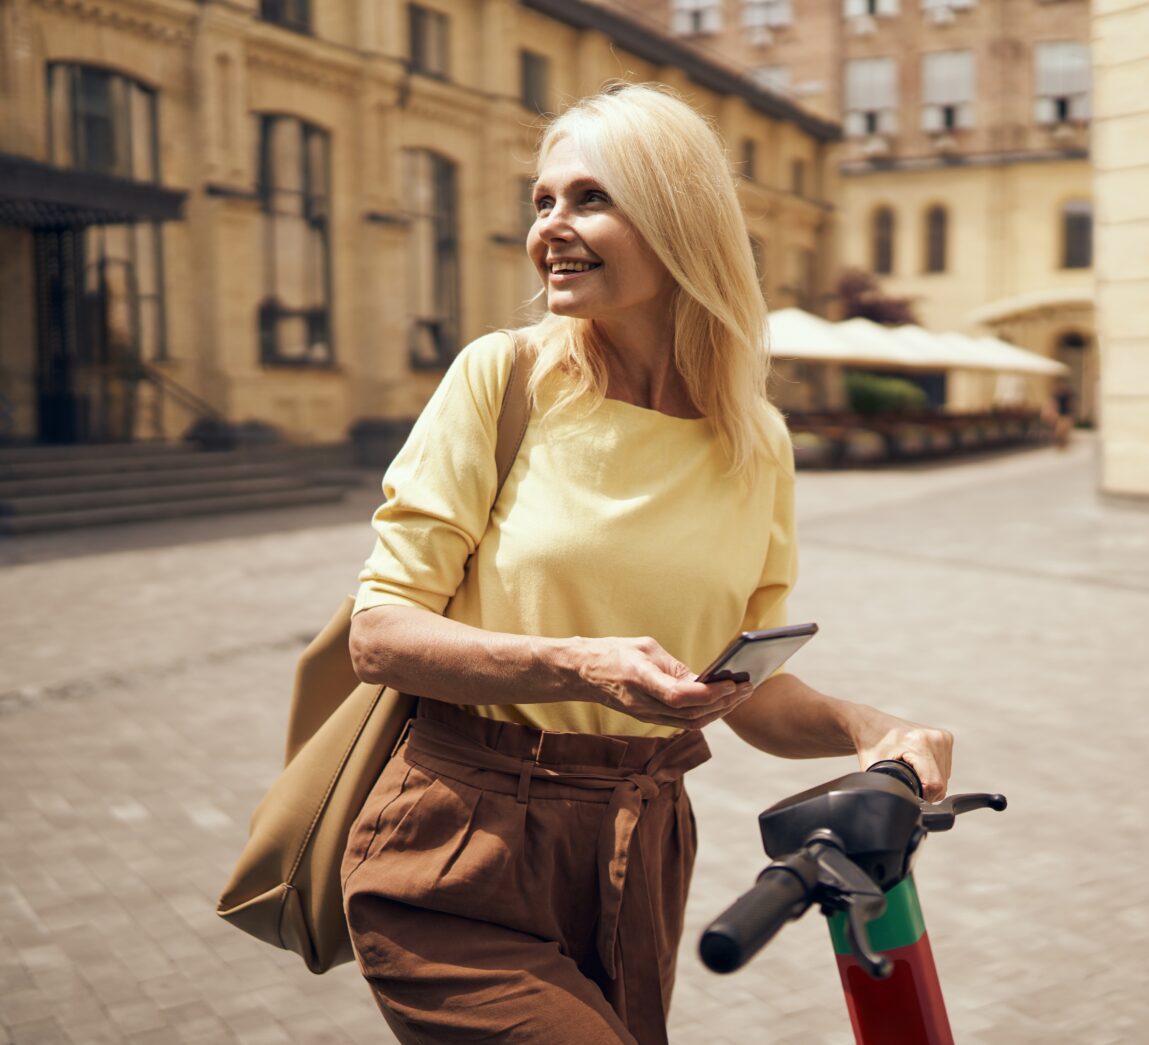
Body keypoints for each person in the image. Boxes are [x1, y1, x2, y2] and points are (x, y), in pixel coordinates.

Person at [341, 83, 955, 1045]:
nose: (551, 226)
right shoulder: (503, 378)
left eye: (589, 198)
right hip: (461, 843)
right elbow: (377, 633)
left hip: (640, 848)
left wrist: (869, 726)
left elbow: (738, 687)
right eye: (541, 201)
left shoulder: (755, 442)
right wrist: (578, 664)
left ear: (678, 218)